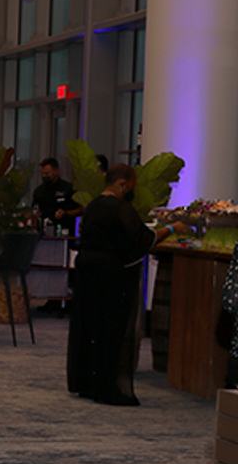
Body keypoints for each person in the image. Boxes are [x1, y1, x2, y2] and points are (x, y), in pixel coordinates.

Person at [67, 165, 185, 405]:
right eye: (131, 186)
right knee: (111, 330)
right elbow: (143, 239)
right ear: (122, 184)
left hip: (87, 272)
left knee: (89, 327)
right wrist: (173, 228)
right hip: (111, 276)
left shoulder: (92, 207)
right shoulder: (120, 209)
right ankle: (109, 387)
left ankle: (86, 381)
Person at [33, 157, 83, 228]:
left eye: (47, 173)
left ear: (56, 171)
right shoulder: (38, 191)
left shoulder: (68, 188)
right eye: (42, 174)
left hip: (65, 231)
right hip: (44, 232)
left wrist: (66, 213)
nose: (44, 176)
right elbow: (35, 210)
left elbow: (81, 209)